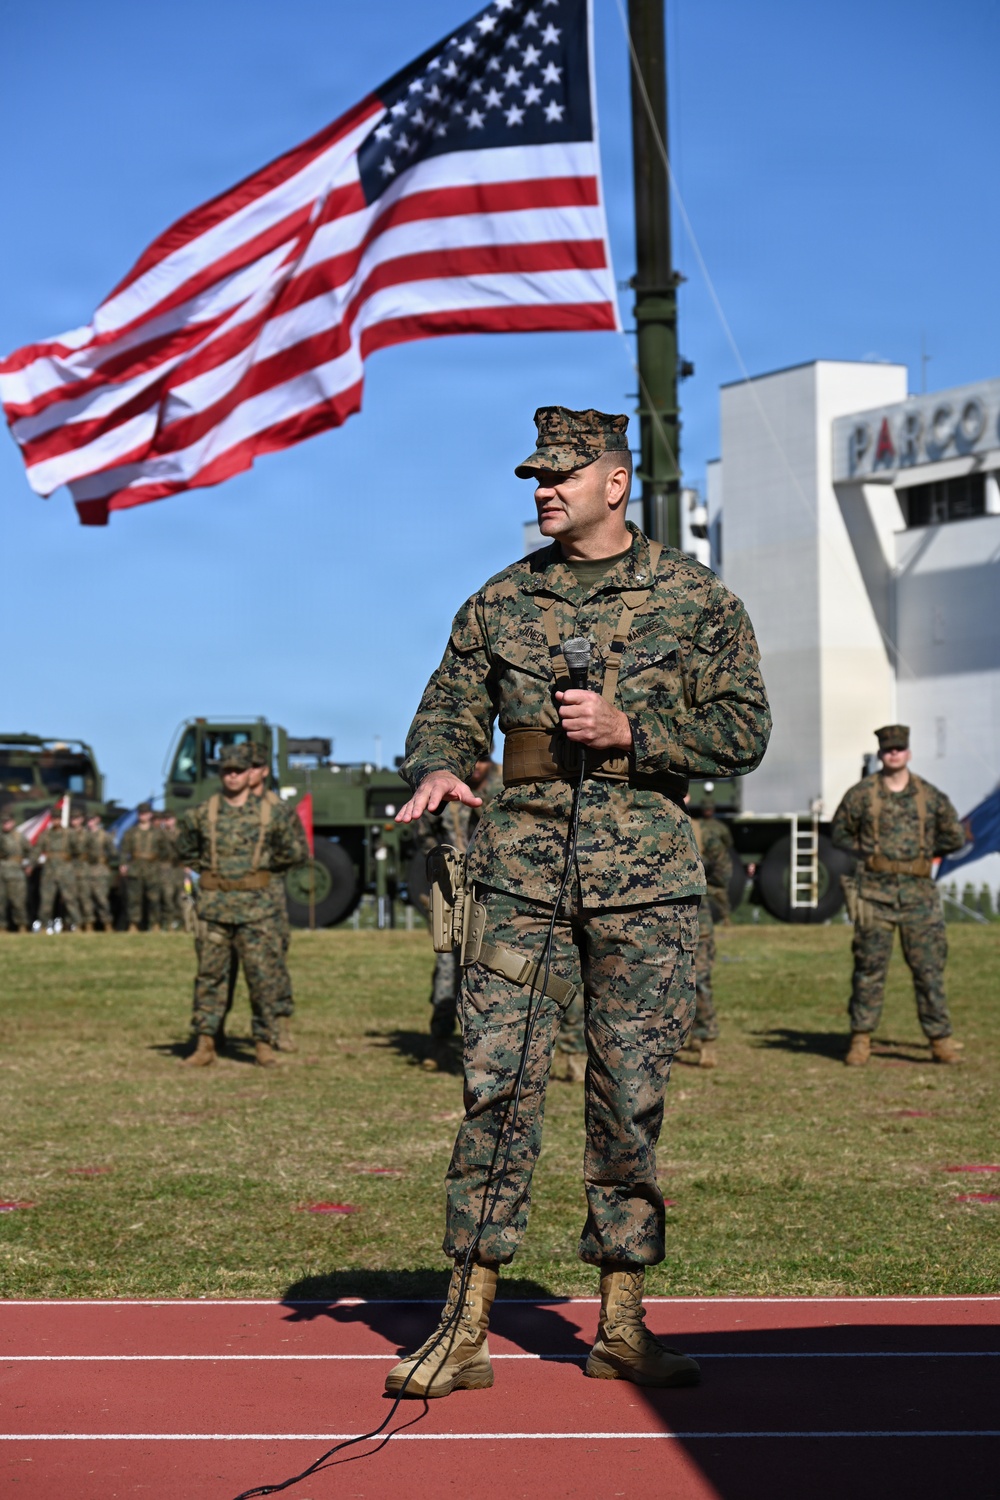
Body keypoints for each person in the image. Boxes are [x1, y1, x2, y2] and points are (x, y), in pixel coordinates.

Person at [387, 406, 770, 1398]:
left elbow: (743, 730)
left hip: (644, 884)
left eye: (562, 474)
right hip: (518, 878)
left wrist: (632, 730)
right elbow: (448, 704)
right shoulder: (500, 601)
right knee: (496, 1089)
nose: (543, 489)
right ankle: (464, 1324)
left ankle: (622, 1322)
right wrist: (436, 764)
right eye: (534, 476)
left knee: (628, 1097)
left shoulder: (695, 600)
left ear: (615, 482)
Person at [831, 724, 965, 1066]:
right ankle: (861, 1038)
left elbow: (955, 836)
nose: (894, 753)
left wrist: (923, 853)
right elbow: (839, 832)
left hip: (920, 896)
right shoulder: (861, 794)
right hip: (873, 894)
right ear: (880, 754)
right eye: (888, 749)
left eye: (899, 748)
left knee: (929, 969)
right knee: (869, 968)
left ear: (907, 752)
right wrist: (867, 851)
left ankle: (940, 1040)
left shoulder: (929, 796)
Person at [176, 742, 304, 1068]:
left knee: (262, 978)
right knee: (210, 977)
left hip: (257, 910)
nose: (232, 777)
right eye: (226, 771)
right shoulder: (202, 814)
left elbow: (292, 852)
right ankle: (205, 1042)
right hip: (214, 908)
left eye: (239, 771)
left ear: (251, 773)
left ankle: (263, 1042)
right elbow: (184, 849)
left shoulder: (272, 813)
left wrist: (260, 873)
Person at [414, 749, 501, 1069]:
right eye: (471, 762)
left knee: (485, 966)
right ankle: (438, 1041)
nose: (476, 769)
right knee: (447, 968)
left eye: (481, 761)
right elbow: (424, 833)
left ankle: (481, 1048)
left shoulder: (503, 786)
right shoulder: (447, 788)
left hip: (490, 892)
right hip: (451, 891)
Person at [243, 740, 308, 1051]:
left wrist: (265, 862)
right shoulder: (226, 808)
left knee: (273, 963)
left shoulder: (278, 809)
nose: (247, 773)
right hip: (229, 898)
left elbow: (297, 850)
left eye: (253, 767)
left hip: (267, 894)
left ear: (264, 771)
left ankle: (279, 1027)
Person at [686, 801, 734, 1069]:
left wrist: (707, 893)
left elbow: (722, 870)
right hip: (651, 919)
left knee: (699, 979)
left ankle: (706, 1041)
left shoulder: (704, 833)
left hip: (695, 916)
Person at [119, 803, 168, 931]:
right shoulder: (130, 832)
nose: (143, 815)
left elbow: (165, 850)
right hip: (136, 867)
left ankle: (155, 924)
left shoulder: (158, 833)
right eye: (141, 813)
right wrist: (123, 864)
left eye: (146, 813)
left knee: (154, 898)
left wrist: (160, 863)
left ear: (150, 814)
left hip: (153, 868)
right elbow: (124, 850)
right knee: (134, 898)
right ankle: (134, 924)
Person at [35, 804, 82, 932]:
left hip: (66, 869)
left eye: (58, 818)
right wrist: (30, 865)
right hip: (49, 870)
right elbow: (37, 850)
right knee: (46, 900)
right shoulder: (45, 835)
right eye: (54, 818)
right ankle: (44, 926)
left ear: (61, 819)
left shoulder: (69, 834)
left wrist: (77, 867)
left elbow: (78, 851)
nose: (56, 821)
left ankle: (77, 924)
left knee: (70, 899)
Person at [82, 813, 118, 932]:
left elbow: (113, 853)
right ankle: (88, 924)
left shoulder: (104, 836)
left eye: (92, 819)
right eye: (88, 820)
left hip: (100, 870)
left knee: (101, 899)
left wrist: (105, 857)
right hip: (85, 870)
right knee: (86, 899)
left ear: (97, 820)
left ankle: (107, 923)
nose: (90, 822)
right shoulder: (83, 835)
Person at [0, 809, 31, 932]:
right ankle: (2, 927)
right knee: (0, 902)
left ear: (13, 822)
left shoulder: (19, 837)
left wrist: (30, 865)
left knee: (18, 901)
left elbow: (31, 851)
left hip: (16, 874)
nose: (5, 824)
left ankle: (22, 925)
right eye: (3, 822)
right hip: (1, 871)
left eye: (7, 822)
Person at [157, 812, 185, 930]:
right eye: (165, 819)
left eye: (169, 819)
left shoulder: (182, 834)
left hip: (179, 867)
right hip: (165, 867)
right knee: (167, 895)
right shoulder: (159, 834)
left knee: (181, 896)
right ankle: (168, 922)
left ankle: (182, 922)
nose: (167, 821)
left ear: (174, 820)